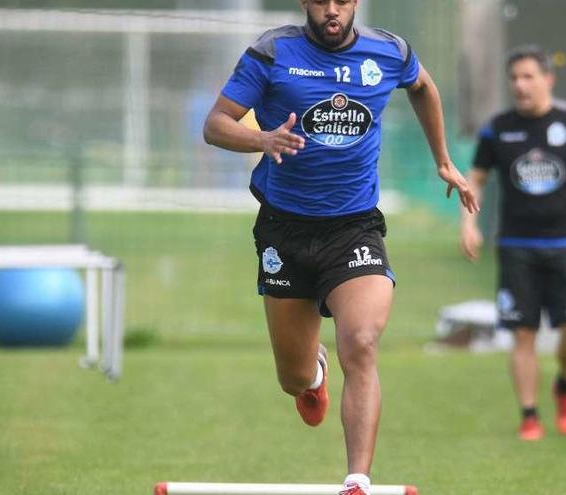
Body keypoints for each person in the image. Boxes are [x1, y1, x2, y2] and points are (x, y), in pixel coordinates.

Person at [203, 1, 477, 493]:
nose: (332, 10)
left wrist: (443, 160)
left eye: (343, 1)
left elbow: (423, 87)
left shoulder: (389, 51)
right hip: (284, 229)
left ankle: (357, 481)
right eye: (322, 0)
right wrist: (262, 139)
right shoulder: (271, 52)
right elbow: (216, 123)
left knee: (363, 343)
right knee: (292, 377)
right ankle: (313, 374)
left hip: (354, 229)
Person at [459, 45, 566, 441]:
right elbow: (475, 178)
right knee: (523, 334)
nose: (520, 85)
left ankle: (564, 385)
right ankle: (529, 415)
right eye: (514, 78)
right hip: (516, 246)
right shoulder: (498, 128)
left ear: (548, 79)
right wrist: (469, 224)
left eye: (528, 77)